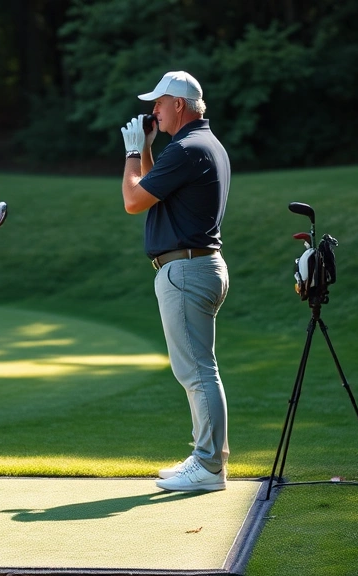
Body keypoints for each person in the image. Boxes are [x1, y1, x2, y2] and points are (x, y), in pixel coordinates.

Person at [119, 70, 231, 492]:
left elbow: (133, 200)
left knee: (197, 371)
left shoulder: (187, 149)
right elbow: (153, 191)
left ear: (179, 105)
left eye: (160, 104)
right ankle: (207, 458)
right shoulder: (199, 145)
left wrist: (132, 152)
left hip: (187, 268)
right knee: (199, 370)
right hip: (197, 266)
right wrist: (147, 149)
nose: (154, 111)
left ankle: (207, 466)